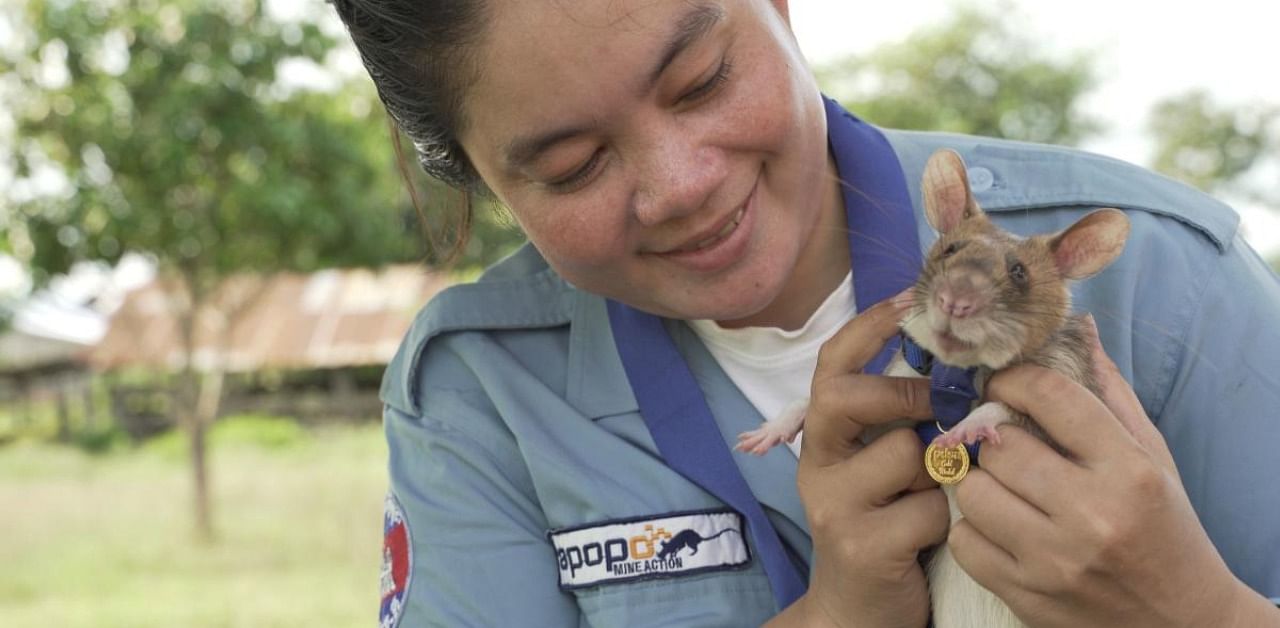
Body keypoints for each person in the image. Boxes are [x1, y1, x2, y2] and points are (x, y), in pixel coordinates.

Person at [333, 1, 1280, 626]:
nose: (682, 187)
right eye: (574, 165)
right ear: (477, 178)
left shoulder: (1163, 278)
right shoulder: (477, 386)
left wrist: (1205, 614)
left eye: (702, 79)